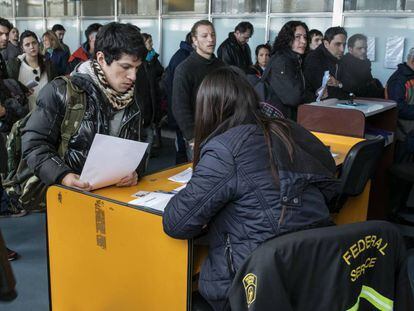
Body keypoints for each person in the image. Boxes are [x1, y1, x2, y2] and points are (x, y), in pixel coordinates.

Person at [163, 67, 338, 310]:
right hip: (316, 270)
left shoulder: (226, 149)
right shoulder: (285, 129)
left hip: (255, 283)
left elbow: (176, 222)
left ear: (208, 108)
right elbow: (329, 175)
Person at [21, 22, 147, 195]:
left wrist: (136, 172)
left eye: (137, 68)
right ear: (101, 59)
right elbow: (34, 145)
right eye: (125, 67)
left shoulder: (131, 96)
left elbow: (138, 146)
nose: (133, 76)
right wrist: (63, 176)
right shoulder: (61, 91)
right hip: (69, 198)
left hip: (116, 198)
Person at [172, 20, 225, 160]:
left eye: (213, 35)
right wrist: (192, 137)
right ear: (194, 40)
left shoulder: (221, 66)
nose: (211, 39)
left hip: (223, 132)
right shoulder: (184, 69)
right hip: (199, 136)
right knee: (203, 176)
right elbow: (179, 106)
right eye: (204, 36)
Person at [265, 21, 308, 120]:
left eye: (305, 37)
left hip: (286, 119)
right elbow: (292, 98)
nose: (303, 41)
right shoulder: (282, 60)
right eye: (298, 37)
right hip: (277, 120)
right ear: (287, 39)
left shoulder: (296, 58)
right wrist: (311, 96)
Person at [163, 32, 194, 164]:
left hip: (181, 111)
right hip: (182, 112)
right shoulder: (183, 58)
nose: (210, 41)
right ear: (194, 40)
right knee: (183, 148)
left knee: (183, 146)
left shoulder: (185, 55)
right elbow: (178, 92)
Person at [7, 30, 57, 110]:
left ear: (38, 44)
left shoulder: (48, 65)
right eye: (27, 45)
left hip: (46, 112)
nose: (32, 47)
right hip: (24, 113)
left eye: (34, 43)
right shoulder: (15, 66)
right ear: (22, 48)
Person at [303, 26, 349, 102]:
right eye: (337, 44)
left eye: (344, 45)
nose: (342, 49)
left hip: (337, 103)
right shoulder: (314, 59)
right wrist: (342, 86)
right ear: (326, 44)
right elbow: (326, 92)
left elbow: (351, 84)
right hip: (318, 106)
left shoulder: (340, 58)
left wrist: (339, 84)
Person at [386, 47, 414, 163]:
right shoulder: (399, 80)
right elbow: (398, 108)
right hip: (404, 136)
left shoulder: (411, 76)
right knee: (402, 172)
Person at [140, 33, 164, 153]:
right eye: (149, 42)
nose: (152, 44)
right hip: (144, 106)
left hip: (154, 99)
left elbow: (160, 72)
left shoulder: (152, 58)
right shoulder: (139, 63)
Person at [340, 33, 384, 98]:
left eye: (365, 48)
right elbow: (354, 88)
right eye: (359, 48)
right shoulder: (344, 64)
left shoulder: (365, 63)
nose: (364, 51)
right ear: (350, 50)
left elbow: (370, 84)